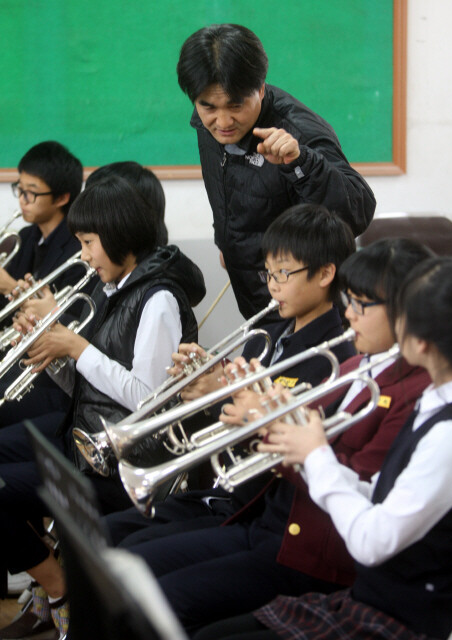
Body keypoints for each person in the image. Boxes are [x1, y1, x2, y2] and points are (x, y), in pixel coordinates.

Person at [109, 238, 432, 635]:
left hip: (311, 553)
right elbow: (289, 447)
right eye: (350, 300)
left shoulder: (412, 393)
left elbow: (357, 486)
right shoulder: (353, 364)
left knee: (164, 601)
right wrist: (248, 408)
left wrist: (269, 424)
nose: (349, 313)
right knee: (131, 568)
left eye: (362, 305)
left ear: (409, 310)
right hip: (266, 522)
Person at [196, 256, 452, 640]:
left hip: (401, 619)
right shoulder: (436, 399)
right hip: (369, 597)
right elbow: (382, 495)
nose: (351, 314)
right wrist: (294, 435)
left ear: (421, 339)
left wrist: (316, 454)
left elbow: (372, 543)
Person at [0, 174, 205, 638]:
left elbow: (147, 400)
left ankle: (60, 590)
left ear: (116, 234)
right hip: (87, 447)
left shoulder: (159, 299)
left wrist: (76, 348)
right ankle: (57, 588)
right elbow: (87, 388)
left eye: (88, 242)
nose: (85, 255)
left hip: (122, 467)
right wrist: (48, 350)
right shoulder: (111, 288)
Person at [105, 202, 356, 548]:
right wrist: (204, 384)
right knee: (105, 533)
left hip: (259, 510)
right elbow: (226, 423)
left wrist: (222, 393)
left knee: (135, 554)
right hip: (221, 493)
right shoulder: (264, 337)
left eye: (283, 273)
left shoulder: (337, 361)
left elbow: (281, 455)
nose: (273, 286)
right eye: (268, 273)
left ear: (325, 274)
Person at [177, 23, 376, 319]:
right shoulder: (210, 125)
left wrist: (302, 162)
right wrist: (227, 239)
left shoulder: (299, 132)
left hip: (312, 307)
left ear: (260, 88)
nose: (222, 120)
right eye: (209, 107)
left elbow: (358, 211)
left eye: (235, 105)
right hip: (258, 296)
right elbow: (229, 183)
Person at [0, 140, 83, 423]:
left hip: (45, 374)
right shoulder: (26, 238)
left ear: (61, 198)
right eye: (19, 190)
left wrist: (11, 287)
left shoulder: (79, 249)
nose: (22, 200)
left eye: (31, 193)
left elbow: (73, 320)